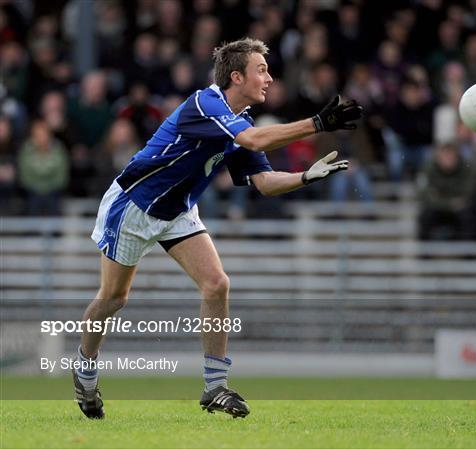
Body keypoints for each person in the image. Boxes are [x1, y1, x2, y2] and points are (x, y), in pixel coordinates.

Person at [72, 38, 363, 420]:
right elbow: (251, 140)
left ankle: (215, 387)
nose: (270, 79)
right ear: (236, 76)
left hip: (177, 210)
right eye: (262, 70)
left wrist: (306, 175)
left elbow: (264, 182)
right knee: (114, 298)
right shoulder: (205, 103)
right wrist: (318, 124)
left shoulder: (241, 122)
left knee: (217, 284)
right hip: (134, 205)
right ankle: (85, 369)